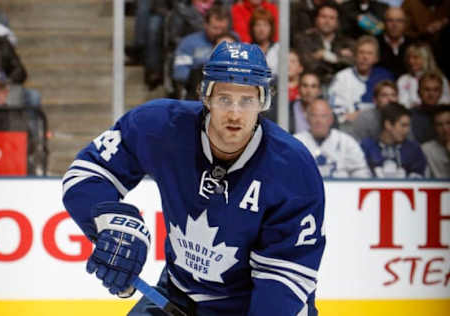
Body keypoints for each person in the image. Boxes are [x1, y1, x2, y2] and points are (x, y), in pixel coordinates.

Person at [62, 42, 326, 316]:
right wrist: (112, 222)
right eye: (224, 98)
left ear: (262, 102)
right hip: (176, 293)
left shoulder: (293, 169)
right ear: (206, 96)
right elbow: (87, 172)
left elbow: (284, 282)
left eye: (246, 100)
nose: (235, 113)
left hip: (252, 306)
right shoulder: (162, 127)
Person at [295, 99, 371, 178]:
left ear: (331, 119)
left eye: (323, 116)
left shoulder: (347, 142)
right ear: (307, 118)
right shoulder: (296, 142)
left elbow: (361, 172)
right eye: (314, 115)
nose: (318, 120)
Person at [328, 35, 394, 125]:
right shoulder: (342, 78)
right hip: (349, 127)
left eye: (369, 53)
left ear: (376, 58)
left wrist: (362, 114)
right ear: (355, 55)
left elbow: (393, 108)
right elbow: (335, 112)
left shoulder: (385, 77)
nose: (365, 57)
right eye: (361, 52)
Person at [173, 5, 232, 98]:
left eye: (223, 29)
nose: (219, 33)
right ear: (205, 25)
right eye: (215, 28)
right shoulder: (189, 42)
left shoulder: (233, 41)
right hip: (196, 91)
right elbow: (180, 73)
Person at [294, 2, 354, 86]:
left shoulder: (346, 42)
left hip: (342, 85)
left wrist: (326, 56)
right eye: (323, 17)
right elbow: (308, 64)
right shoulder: (303, 39)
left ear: (337, 22)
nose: (327, 21)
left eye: (332, 18)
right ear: (316, 19)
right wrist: (340, 58)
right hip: (313, 86)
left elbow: (352, 63)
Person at [361, 102, 427, 178]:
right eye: (403, 125)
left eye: (408, 126)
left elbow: (418, 181)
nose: (407, 130)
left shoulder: (414, 149)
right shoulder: (366, 147)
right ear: (388, 125)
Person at [397, 42, 450, 108]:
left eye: (415, 57)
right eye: (409, 58)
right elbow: (402, 103)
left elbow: (446, 101)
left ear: (426, 58)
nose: (411, 61)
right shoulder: (403, 79)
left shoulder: (440, 78)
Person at [376, 7, 414, 78]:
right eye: (390, 20)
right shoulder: (374, 43)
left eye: (399, 21)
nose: (395, 25)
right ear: (384, 23)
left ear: (405, 23)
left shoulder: (413, 44)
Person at [249, 8, 278, 77]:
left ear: (271, 28)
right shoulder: (246, 49)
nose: (261, 29)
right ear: (252, 28)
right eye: (258, 25)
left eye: (265, 25)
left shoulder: (278, 49)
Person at [422, 106, 450, 178]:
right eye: (439, 125)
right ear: (433, 127)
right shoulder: (426, 149)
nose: (445, 129)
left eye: (448, 123)